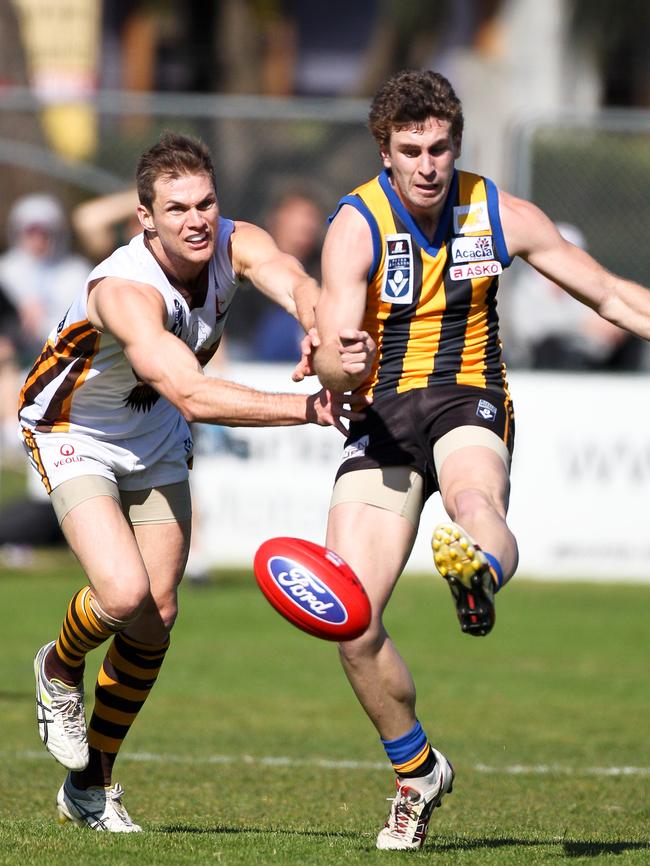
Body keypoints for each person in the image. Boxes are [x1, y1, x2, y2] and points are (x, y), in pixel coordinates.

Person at [311, 69, 650, 850]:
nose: (428, 164)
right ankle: (417, 771)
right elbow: (331, 353)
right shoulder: (356, 225)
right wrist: (341, 358)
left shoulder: (497, 211)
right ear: (384, 153)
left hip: (469, 397)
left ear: (455, 144)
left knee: (476, 505)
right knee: (350, 622)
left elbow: (605, 294)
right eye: (411, 150)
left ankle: (478, 573)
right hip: (383, 417)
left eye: (440, 147)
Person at [21, 131, 367, 833]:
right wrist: (308, 408)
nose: (197, 218)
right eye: (176, 208)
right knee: (121, 593)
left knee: (158, 616)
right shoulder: (123, 290)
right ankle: (58, 670)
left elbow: (296, 281)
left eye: (206, 202)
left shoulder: (237, 242)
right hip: (72, 434)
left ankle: (92, 785)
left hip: (151, 440)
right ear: (145, 217)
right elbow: (195, 395)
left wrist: (320, 327)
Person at [503, 222, 643, 371]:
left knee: (630, 339)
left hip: (591, 356)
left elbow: (600, 325)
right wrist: (582, 327)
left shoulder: (587, 287)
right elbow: (532, 332)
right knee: (551, 347)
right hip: (546, 361)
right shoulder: (527, 290)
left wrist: (615, 327)